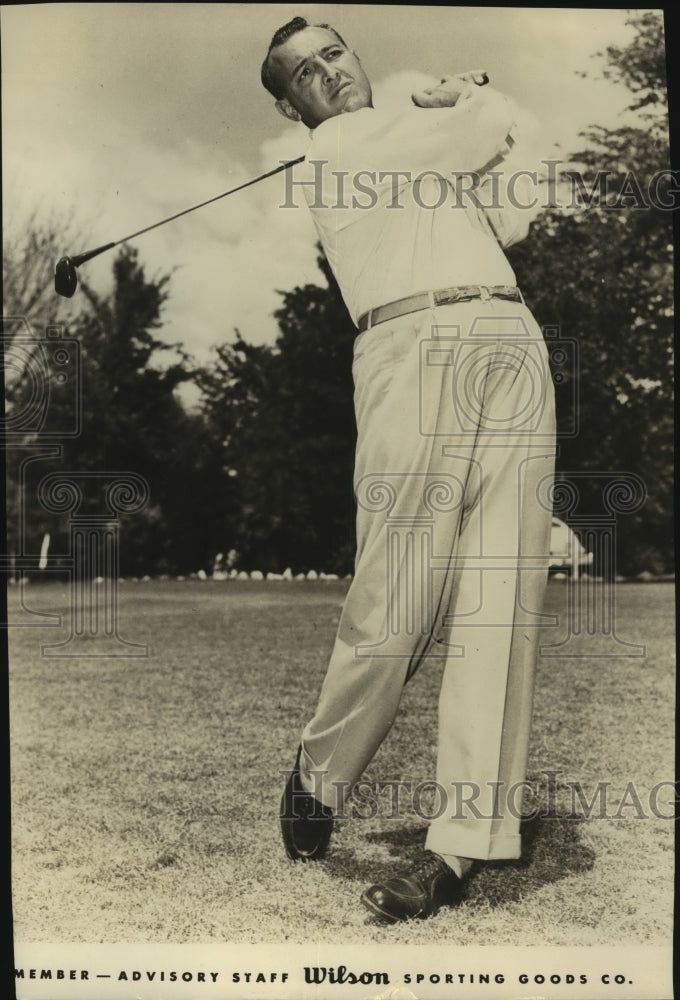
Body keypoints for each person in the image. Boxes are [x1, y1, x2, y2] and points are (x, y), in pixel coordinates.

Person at [261, 16, 556, 923]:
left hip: (509, 337)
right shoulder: (343, 144)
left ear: (357, 56)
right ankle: (322, 769)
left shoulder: (411, 141)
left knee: (498, 601)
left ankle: (460, 845)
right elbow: (472, 132)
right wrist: (462, 94)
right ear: (290, 103)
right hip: (408, 348)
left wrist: (480, 103)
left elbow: (524, 197)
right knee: (396, 600)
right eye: (305, 73)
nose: (329, 73)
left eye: (336, 53)